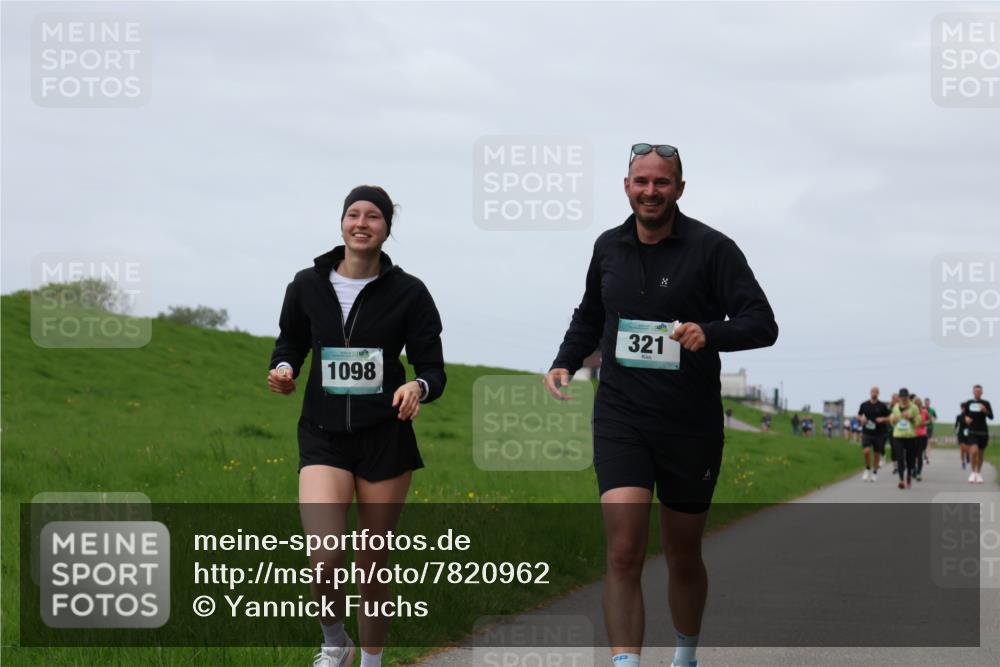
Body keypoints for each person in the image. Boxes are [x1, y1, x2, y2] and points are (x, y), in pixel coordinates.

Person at [543, 143, 777, 667]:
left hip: (689, 424)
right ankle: (626, 661)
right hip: (621, 416)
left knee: (682, 553)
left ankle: (685, 656)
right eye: (641, 182)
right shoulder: (608, 247)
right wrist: (563, 360)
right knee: (624, 550)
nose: (651, 191)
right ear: (626, 186)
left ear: (680, 188)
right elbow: (589, 316)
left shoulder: (714, 249)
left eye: (662, 183)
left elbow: (762, 323)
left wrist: (708, 332)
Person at [267, 185, 447, 667]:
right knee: (324, 557)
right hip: (323, 437)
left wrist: (418, 388)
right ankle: (334, 642)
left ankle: (371, 661)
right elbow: (290, 343)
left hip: (385, 440)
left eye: (373, 216)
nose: (362, 222)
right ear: (342, 223)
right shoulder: (306, 284)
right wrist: (284, 371)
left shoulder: (410, 292)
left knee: (371, 566)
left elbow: (433, 368)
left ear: (387, 229)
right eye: (354, 214)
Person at [889, 388, 923, 489]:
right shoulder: (895, 407)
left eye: (905, 397)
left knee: (910, 459)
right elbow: (892, 421)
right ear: (899, 397)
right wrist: (893, 419)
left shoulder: (914, 408)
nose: (903, 399)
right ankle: (901, 480)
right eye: (902, 397)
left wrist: (911, 417)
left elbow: (919, 421)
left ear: (908, 397)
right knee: (899, 458)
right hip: (898, 436)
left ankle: (908, 476)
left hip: (910, 436)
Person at [962, 384, 994, 484]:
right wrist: (965, 418)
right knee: (974, 451)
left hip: (983, 431)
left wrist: (985, 411)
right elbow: (964, 415)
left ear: (982, 392)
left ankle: (978, 473)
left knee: (980, 454)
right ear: (973, 392)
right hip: (972, 431)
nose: (977, 393)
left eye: (979, 391)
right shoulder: (969, 402)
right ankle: (972, 472)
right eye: (975, 391)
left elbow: (991, 417)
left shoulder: (986, 403)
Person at [858, 386, 891, 482]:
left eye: (876, 392)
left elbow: (889, 417)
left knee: (877, 454)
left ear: (878, 393)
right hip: (867, 432)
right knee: (866, 451)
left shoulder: (882, 406)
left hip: (879, 433)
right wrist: (861, 419)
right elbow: (859, 415)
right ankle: (867, 469)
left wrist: (883, 419)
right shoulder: (864, 405)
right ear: (870, 393)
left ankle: (875, 472)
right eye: (873, 392)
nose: (874, 393)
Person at [913, 395, 929, 481]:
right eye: (915, 405)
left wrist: (925, 422)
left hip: (922, 436)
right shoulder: (911, 413)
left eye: (919, 405)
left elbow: (930, 420)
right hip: (912, 436)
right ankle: (914, 469)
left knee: (919, 455)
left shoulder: (924, 412)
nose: (917, 407)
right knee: (913, 455)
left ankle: (919, 473)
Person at [956, 404, 971, 469]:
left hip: (967, 433)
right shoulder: (959, 416)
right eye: (962, 408)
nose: (963, 409)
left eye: (964, 408)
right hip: (961, 434)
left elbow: (971, 424)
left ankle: (968, 455)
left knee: (967, 448)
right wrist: (954, 427)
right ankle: (963, 462)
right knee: (962, 448)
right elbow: (956, 424)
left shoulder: (969, 416)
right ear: (961, 408)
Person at [924, 397, 937, 462]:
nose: (927, 403)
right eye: (926, 402)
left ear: (929, 403)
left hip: (930, 428)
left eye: (928, 402)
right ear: (924, 403)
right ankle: (924, 453)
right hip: (923, 427)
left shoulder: (932, 410)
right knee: (924, 442)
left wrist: (933, 420)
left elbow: (935, 417)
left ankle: (927, 456)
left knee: (929, 441)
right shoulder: (922, 409)